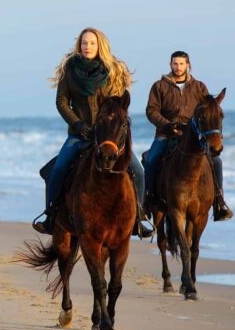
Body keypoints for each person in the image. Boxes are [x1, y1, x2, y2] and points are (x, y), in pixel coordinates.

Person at [33, 28, 153, 237]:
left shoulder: (112, 70)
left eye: (92, 43)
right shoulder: (69, 71)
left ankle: (139, 218)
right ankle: (50, 216)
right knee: (58, 169)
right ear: (79, 45)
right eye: (84, 43)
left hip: (107, 136)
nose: (87, 47)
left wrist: (108, 126)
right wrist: (78, 124)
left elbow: (119, 104)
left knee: (139, 171)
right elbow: (61, 102)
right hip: (79, 135)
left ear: (100, 46)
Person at [143, 51, 233, 221]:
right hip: (166, 133)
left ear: (188, 65)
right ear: (170, 65)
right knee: (152, 158)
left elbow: (208, 108)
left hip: (192, 136)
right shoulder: (159, 86)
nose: (178, 67)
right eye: (175, 64)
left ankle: (219, 201)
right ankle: (147, 200)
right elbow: (151, 111)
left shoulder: (199, 87)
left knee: (216, 161)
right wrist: (167, 125)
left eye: (182, 64)